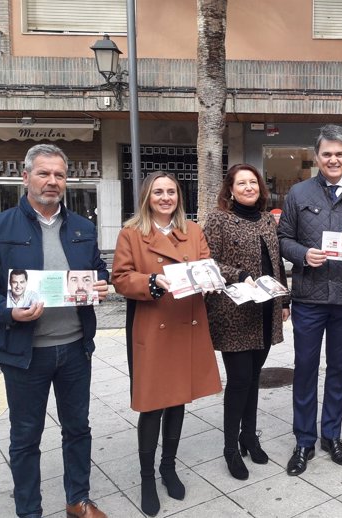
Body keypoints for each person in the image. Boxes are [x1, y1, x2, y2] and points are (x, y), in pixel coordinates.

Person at [0, 144, 110, 518]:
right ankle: (29, 510)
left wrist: (102, 284)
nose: (52, 181)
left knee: (78, 428)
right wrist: (9, 311)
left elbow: (96, 271)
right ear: (25, 177)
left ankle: (78, 498)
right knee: (25, 437)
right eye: (44, 173)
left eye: (59, 175)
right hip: (25, 354)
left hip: (76, 348)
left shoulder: (82, 227)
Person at [111, 172, 222, 516]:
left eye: (171, 191)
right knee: (152, 404)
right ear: (147, 196)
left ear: (178, 196)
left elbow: (207, 265)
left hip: (186, 323)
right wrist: (152, 281)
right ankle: (147, 477)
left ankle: (168, 466)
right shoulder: (131, 233)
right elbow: (120, 278)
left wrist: (211, 280)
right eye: (158, 191)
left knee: (178, 401)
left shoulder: (193, 231)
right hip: (153, 325)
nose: (165, 197)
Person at [278, 124, 342, 475]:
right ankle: (304, 441)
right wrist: (304, 254)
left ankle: (332, 436)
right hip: (308, 298)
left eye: (339, 154)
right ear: (317, 157)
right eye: (327, 154)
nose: (333, 159)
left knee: (339, 370)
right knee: (305, 370)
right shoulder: (298, 193)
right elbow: (283, 238)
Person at [203, 163, 290, 480]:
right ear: (230, 189)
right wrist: (238, 274)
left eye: (253, 182)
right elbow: (206, 260)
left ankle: (249, 436)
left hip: (266, 310)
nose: (249, 187)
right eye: (242, 183)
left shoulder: (267, 218)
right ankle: (230, 448)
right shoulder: (218, 219)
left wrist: (284, 299)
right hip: (233, 312)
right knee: (239, 381)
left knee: (253, 378)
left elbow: (276, 260)